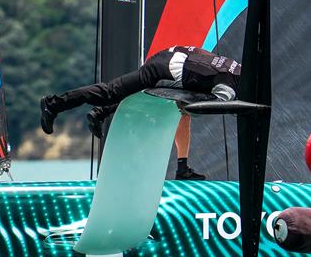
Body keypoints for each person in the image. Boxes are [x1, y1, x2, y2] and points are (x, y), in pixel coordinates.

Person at [39, 45, 241, 180]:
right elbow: (207, 108)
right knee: (110, 92)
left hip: (177, 56)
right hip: (166, 66)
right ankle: (53, 104)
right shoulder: (229, 88)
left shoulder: (238, 69)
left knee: (180, 111)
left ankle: (182, 169)